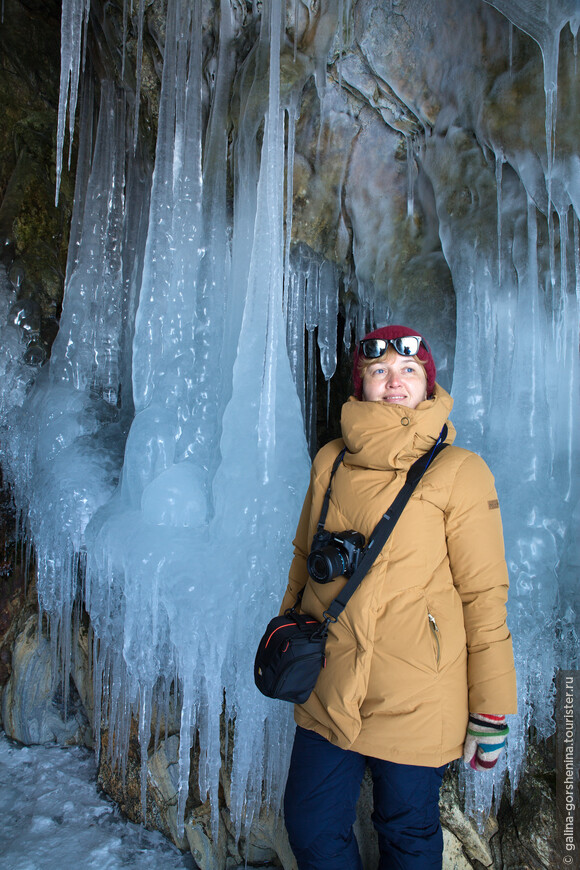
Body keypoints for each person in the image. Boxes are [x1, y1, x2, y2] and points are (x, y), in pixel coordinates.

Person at [280, 325, 517, 870]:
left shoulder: (460, 471)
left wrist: (490, 706)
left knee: (408, 834)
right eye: (378, 371)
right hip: (330, 681)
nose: (393, 382)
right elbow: (303, 554)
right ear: (359, 385)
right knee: (310, 825)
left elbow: (484, 595)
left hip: (418, 689)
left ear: (427, 385)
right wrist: (286, 630)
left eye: (408, 371)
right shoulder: (331, 461)